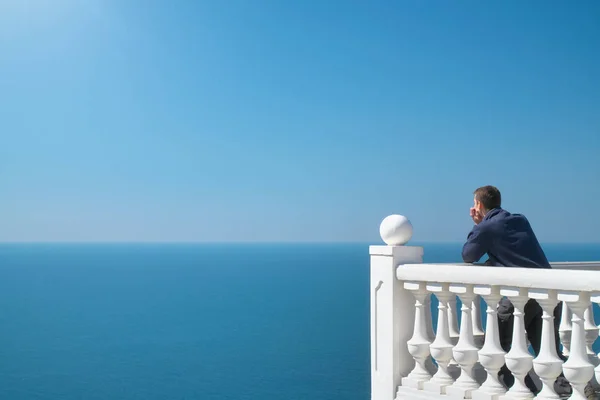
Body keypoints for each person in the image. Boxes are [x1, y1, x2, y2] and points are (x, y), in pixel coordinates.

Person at [462, 185, 573, 398]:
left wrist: (478, 226)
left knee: (495, 347)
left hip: (521, 295)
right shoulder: (520, 219)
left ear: (478, 204)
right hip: (548, 292)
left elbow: (468, 254)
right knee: (549, 352)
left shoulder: (487, 228)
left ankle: (525, 392)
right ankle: (578, 388)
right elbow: (513, 248)